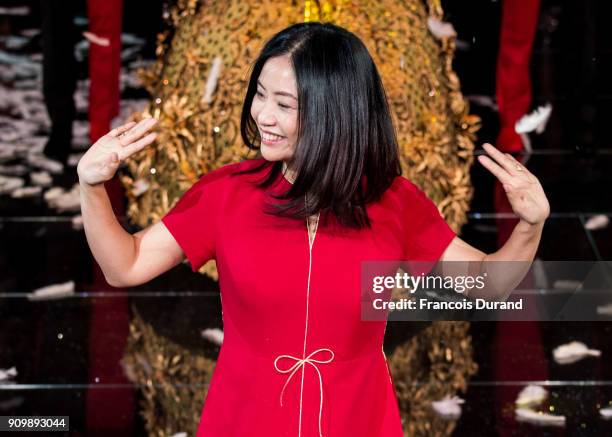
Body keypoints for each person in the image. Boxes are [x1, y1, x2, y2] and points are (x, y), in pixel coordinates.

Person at [78, 22, 550, 437]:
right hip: (244, 417)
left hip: (359, 419)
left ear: (335, 111)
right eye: (260, 94)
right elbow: (127, 265)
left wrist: (529, 227)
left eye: (284, 104)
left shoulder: (395, 202)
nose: (263, 115)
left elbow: (487, 284)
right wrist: (92, 186)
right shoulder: (224, 194)